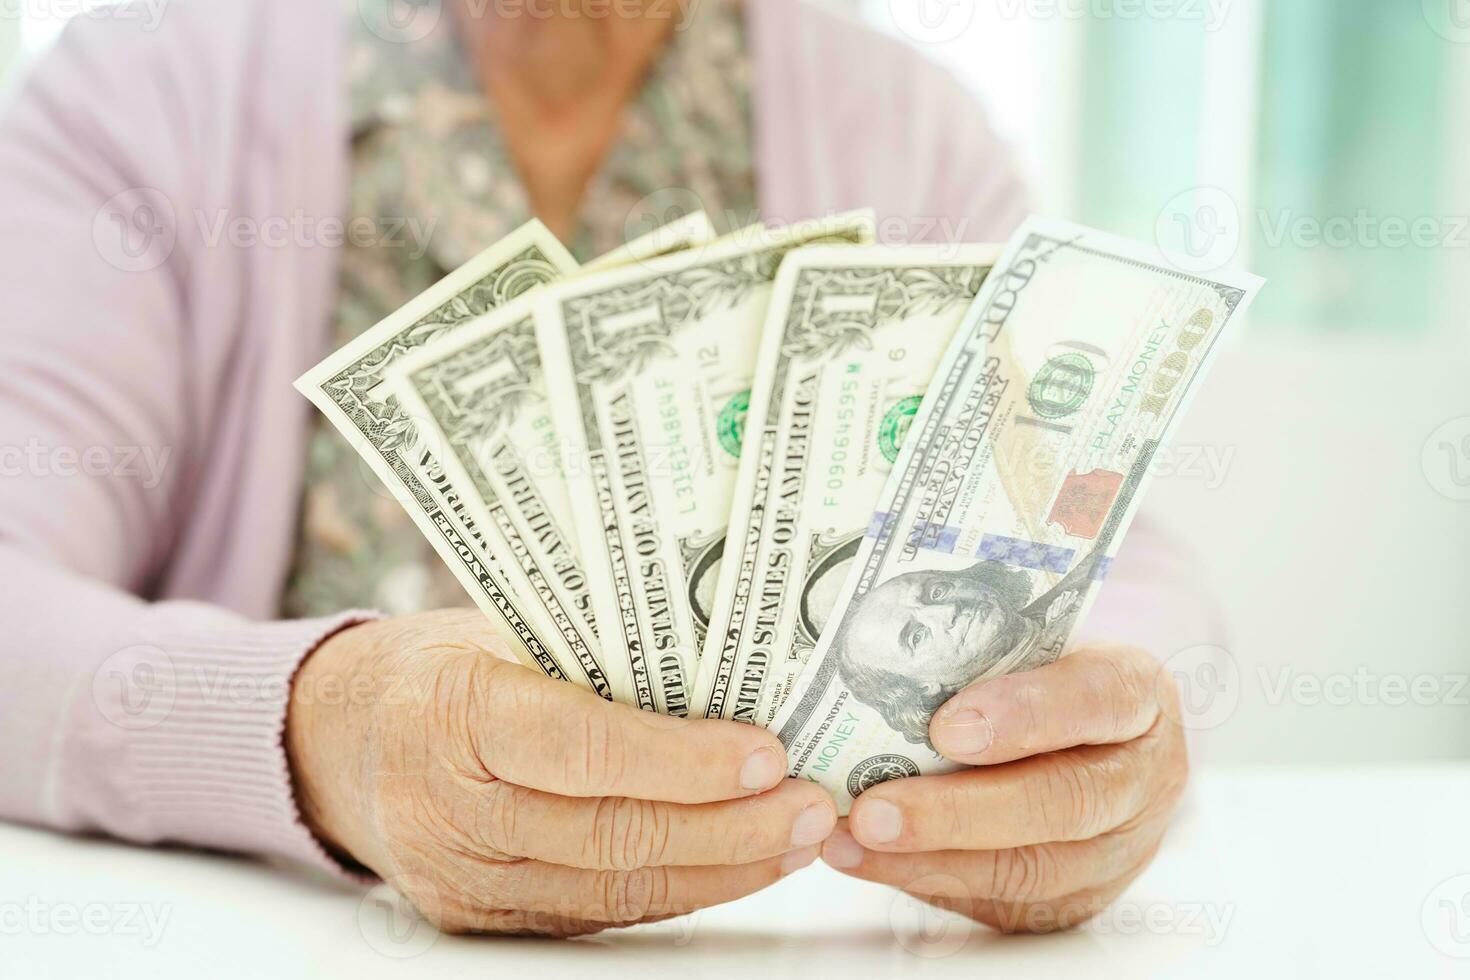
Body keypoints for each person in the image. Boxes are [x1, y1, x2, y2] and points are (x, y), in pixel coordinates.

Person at [0, 0, 1217, 937]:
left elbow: (1117, 558)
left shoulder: (908, 131)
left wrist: (1100, 746)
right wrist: (316, 728)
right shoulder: (148, 89)